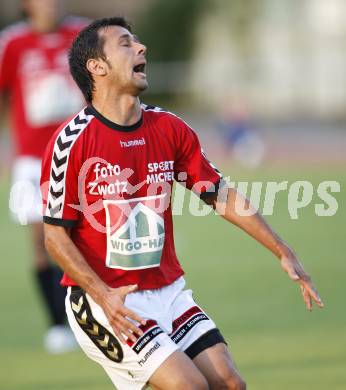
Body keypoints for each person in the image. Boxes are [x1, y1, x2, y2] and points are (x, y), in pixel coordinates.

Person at [41, 17, 323, 390]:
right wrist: (103, 295)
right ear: (97, 66)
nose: (141, 48)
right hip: (105, 303)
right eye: (126, 44)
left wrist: (282, 250)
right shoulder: (72, 142)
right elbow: (55, 239)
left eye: (139, 42)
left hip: (168, 293)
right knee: (189, 386)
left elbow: (220, 195)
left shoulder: (169, 128)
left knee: (229, 383)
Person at [0, 0, 87, 353]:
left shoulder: (82, 35)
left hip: (79, 155)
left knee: (83, 237)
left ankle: (87, 320)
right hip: (32, 159)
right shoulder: (13, 42)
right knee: (42, 241)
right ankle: (56, 323)